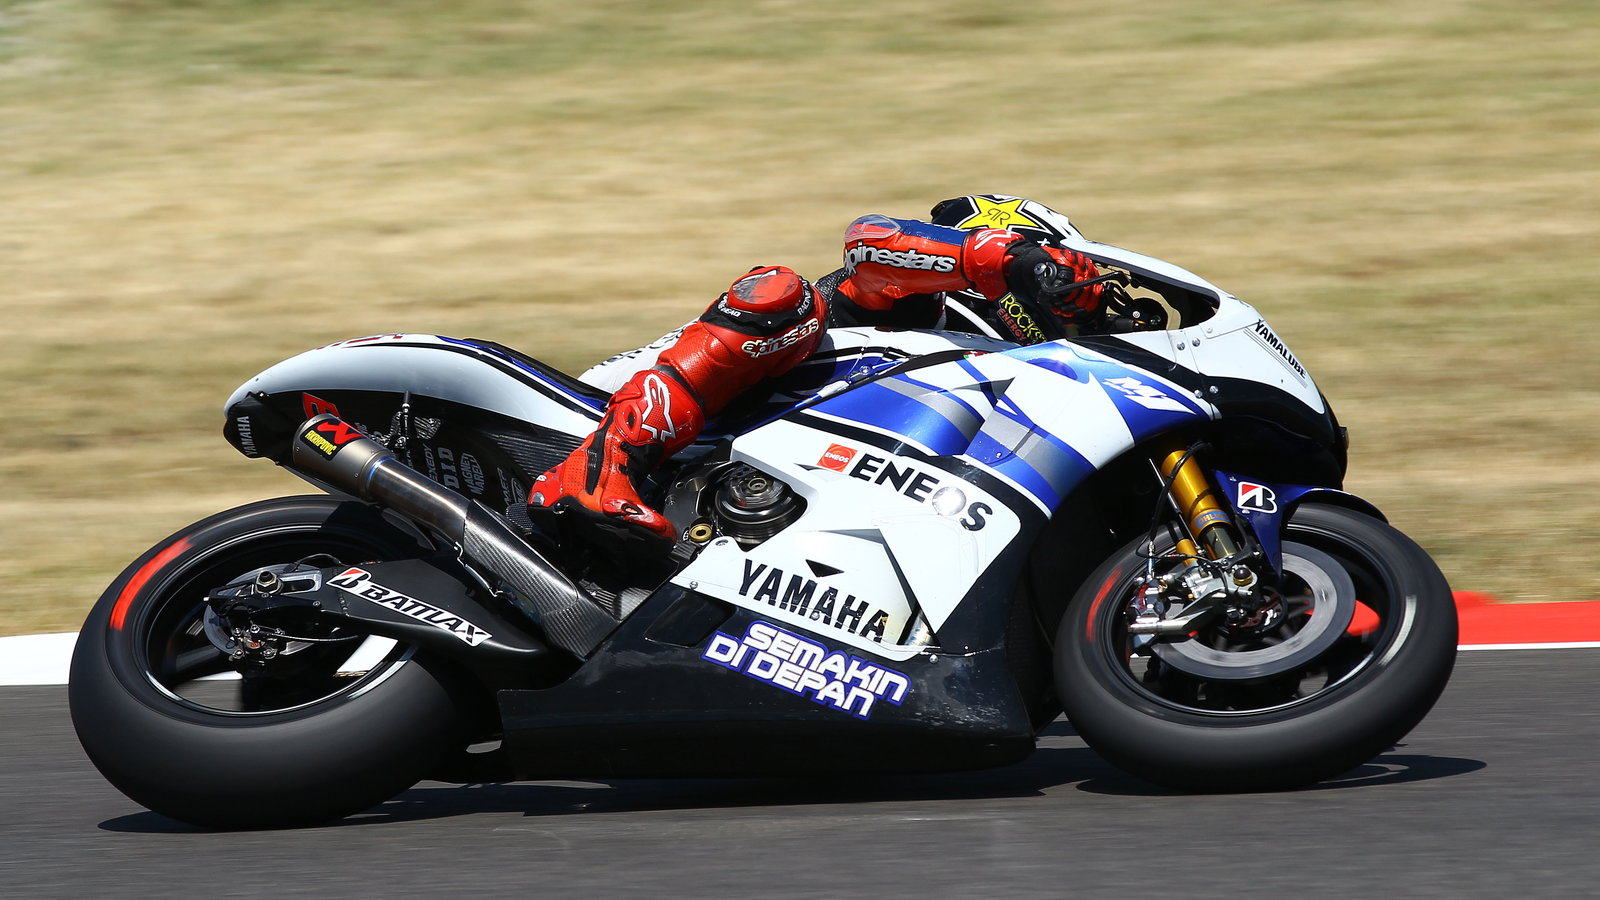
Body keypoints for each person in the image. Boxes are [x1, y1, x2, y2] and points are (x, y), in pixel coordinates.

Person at [528, 195, 1105, 546]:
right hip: (591, 411)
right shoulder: (910, 303)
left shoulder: (998, 381)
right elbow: (870, 241)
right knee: (783, 295)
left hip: (729, 489)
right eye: (1062, 277)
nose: (1074, 305)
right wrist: (1012, 261)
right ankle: (597, 470)